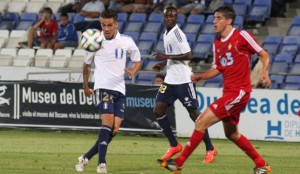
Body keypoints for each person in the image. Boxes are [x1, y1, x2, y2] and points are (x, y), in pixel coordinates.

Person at [158, 6, 272, 174]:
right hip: (229, 93)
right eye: (214, 18)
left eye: (218, 18)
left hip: (239, 93)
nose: (214, 22)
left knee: (201, 122)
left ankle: (179, 163)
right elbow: (218, 68)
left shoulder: (242, 36)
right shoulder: (217, 43)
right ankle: (261, 164)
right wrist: (201, 76)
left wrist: (263, 72)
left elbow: (264, 54)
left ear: (228, 20)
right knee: (232, 134)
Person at [75, 9, 141, 173]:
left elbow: (137, 59)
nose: (106, 28)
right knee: (107, 123)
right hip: (102, 87)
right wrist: (85, 86)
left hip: (120, 89)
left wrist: (133, 71)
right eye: (103, 25)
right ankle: (101, 164)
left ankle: (85, 158)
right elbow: (87, 65)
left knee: (115, 129)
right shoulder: (95, 41)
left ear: (116, 24)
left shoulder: (126, 41)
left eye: (109, 25)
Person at [153, 6, 217, 164]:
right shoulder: (166, 33)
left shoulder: (177, 33)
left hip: (183, 80)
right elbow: (175, 55)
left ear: (176, 18)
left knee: (195, 115)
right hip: (170, 80)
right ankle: (174, 145)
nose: (168, 18)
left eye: (172, 16)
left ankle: (210, 148)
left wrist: (166, 56)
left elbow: (189, 55)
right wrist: (163, 63)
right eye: (166, 15)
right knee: (158, 110)